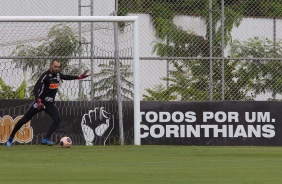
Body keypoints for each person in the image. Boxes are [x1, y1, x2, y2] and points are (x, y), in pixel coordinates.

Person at [7, 58, 90, 147]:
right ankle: (11, 137)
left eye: (58, 67)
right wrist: (38, 101)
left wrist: (79, 77)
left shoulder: (58, 75)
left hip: (49, 104)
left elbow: (66, 77)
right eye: (55, 66)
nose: (57, 68)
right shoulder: (45, 75)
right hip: (40, 103)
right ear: (51, 65)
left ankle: (45, 139)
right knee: (25, 119)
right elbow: (36, 89)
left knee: (57, 119)